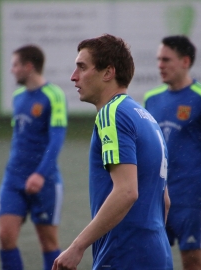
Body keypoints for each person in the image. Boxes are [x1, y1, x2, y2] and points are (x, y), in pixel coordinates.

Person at [53, 34, 173, 270]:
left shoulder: (111, 114)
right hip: (157, 253)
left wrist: (77, 247)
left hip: (123, 255)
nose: (73, 76)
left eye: (82, 67)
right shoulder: (146, 118)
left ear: (108, 73)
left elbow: (127, 191)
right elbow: (165, 201)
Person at [144, 35, 201, 270]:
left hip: (192, 201)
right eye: (158, 59)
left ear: (185, 61)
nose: (160, 65)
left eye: (166, 59)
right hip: (157, 200)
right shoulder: (151, 99)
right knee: (150, 262)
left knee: (192, 264)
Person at [0, 45, 67, 270]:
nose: (12, 70)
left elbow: (56, 139)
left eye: (15, 65)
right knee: (5, 236)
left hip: (44, 180)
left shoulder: (53, 95)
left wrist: (40, 174)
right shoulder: (17, 97)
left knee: (48, 242)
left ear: (29, 66)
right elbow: (20, 137)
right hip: (13, 179)